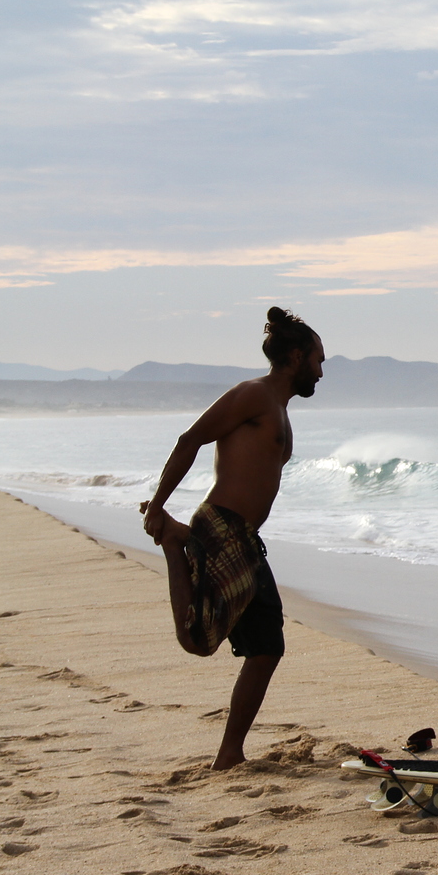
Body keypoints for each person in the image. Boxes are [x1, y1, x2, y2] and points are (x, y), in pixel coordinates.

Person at [139, 307, 325, 770]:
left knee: (267, 646)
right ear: (297, 357)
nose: (322, 372)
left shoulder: (278, 408)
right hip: (222, 528)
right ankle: (174, 543)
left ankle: (229, 754)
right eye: (319, 360)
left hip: (243, 538)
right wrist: (159, 505)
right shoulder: (253, 395)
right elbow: (190, 440)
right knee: (198, 640)